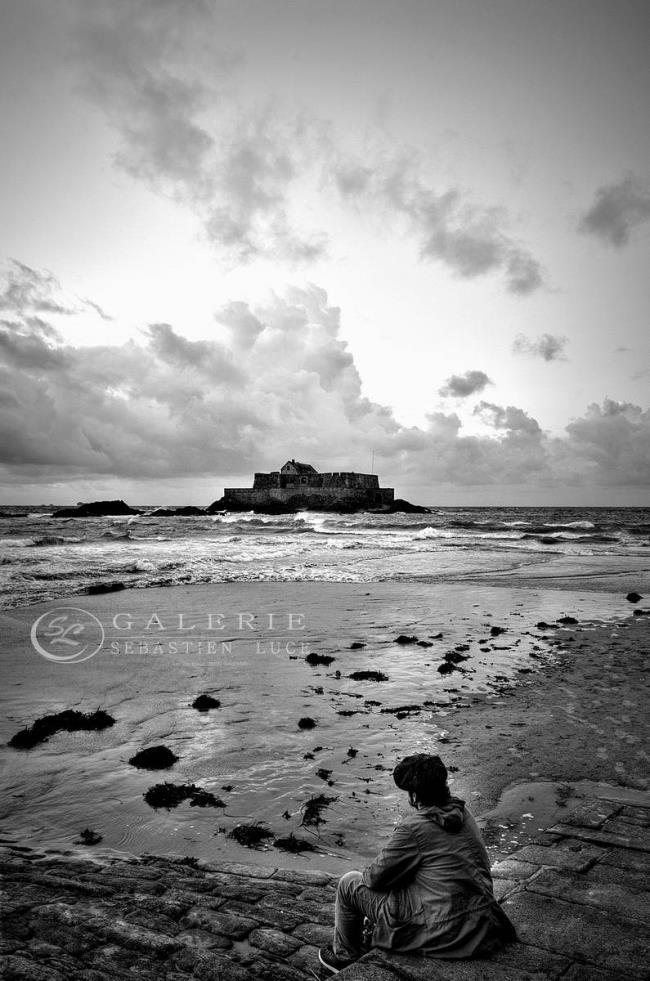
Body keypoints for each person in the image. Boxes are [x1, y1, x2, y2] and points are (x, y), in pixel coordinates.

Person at [319, 753, 516, 974]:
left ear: (414, 795)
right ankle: (368, 936)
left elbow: (374, 878)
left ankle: (344, 956)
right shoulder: (463, 813)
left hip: (449, 931)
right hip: (486, 922)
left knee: (349, 883)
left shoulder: (414, 828)